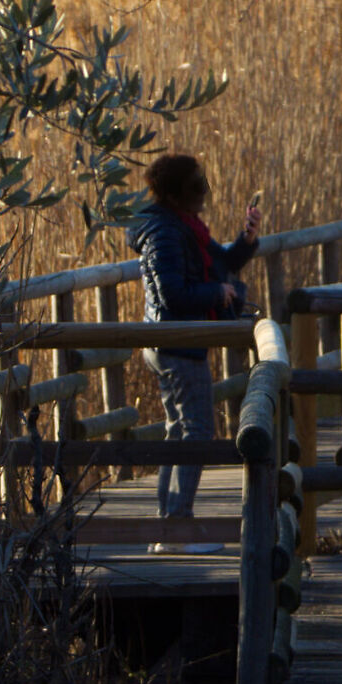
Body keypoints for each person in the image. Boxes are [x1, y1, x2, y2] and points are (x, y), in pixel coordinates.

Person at [130, 152, 262, 529]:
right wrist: (215, 292)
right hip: (177, 346)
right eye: (195, 186)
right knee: (197, 430)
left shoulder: (182, 226)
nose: (203, 193)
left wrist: (246, 238)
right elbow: (173, 293)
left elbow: (220, 262)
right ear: (174, 194)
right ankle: (178, 525)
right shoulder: (165, 232)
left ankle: (169, 524)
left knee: (179, 433)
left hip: (174, 342)